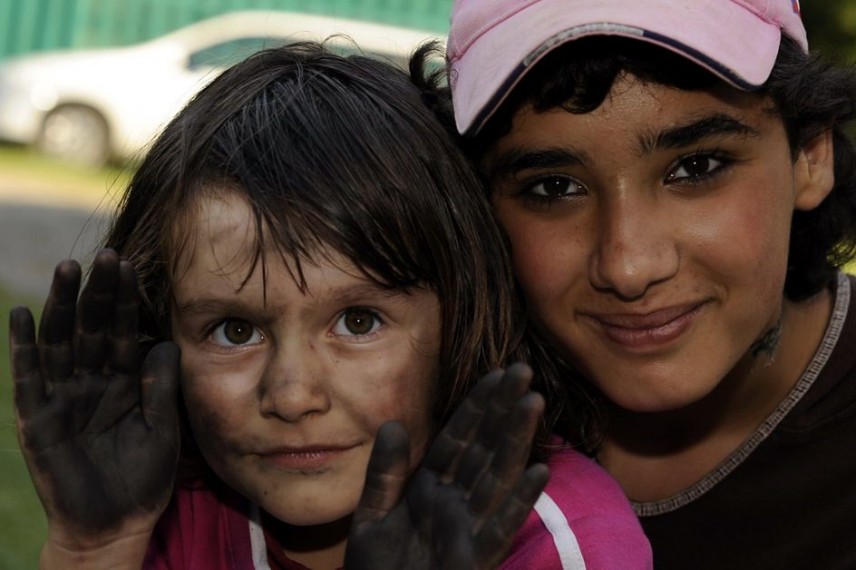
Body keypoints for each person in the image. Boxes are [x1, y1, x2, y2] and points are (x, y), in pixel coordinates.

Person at [10, 43, 652, 569]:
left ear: (463, 317)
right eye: (235, 331)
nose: (292, 397)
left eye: (358, 322)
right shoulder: (174, 511)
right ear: (163, 339)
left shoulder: (559, 542)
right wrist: (94, 550)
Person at [437, 0, 856, 567]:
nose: (628, 267)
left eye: (696, 167)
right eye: (554, 187)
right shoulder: (415, 426)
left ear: (810, 153)